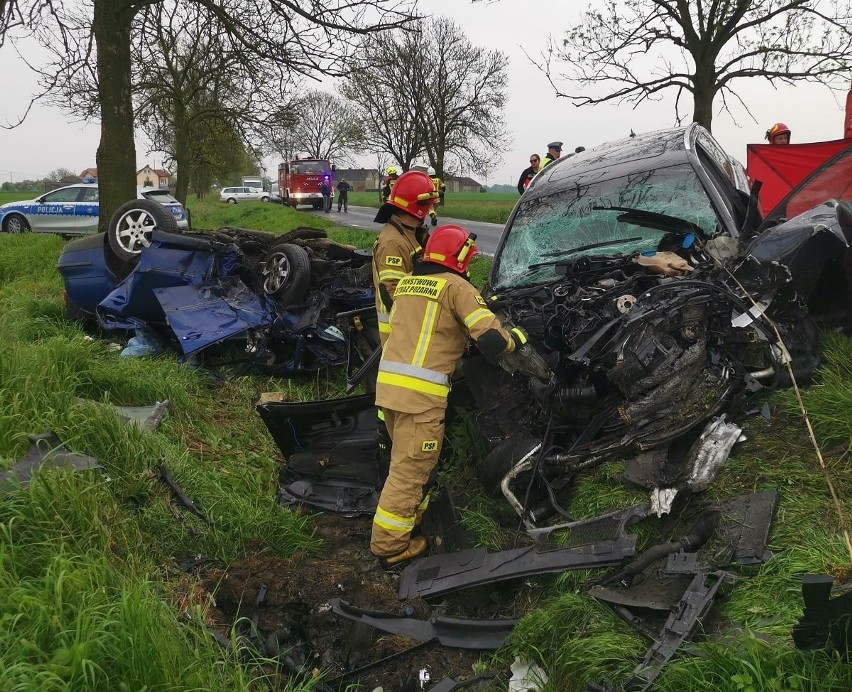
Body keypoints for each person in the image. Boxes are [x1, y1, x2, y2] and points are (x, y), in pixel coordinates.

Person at [370, 225, 527, 566]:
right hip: (420, 400)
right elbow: (492, 343)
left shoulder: (409, 284)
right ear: (460, 260)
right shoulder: (457, 287)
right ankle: (390, 549)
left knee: (405, 463)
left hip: (389, 391)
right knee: (409, 472)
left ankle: (409, 520)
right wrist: (517, 336)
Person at [372, 170, 438, 345]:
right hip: (399, 332)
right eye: (428, 204)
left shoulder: (412, 232)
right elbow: (392, 293)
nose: (430, 209)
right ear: (418, 206)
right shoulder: (393, 243)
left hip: (413, 324)